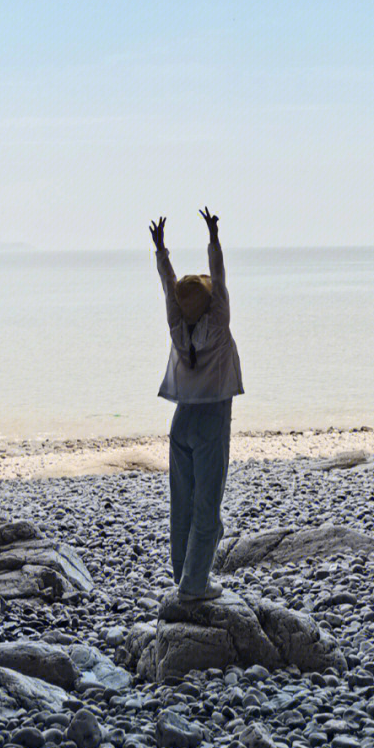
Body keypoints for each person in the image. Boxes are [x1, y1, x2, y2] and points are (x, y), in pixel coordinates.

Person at [150, 207, 244, 602]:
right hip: (211, 420)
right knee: (207, 506)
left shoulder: (177, 329)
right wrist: (214, 238)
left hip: (181, 421)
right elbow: (219, 279)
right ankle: (195, 585)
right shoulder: (218, 325)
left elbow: (168, 285)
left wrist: (160, 250)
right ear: (209, 304)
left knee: (181, 504)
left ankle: (182, 576)